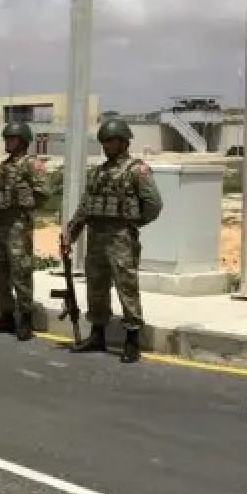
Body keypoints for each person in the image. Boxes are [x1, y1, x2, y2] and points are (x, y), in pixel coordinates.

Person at [60, 118, 163, 364]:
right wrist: (71, 234)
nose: (107, 146)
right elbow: (85, 207)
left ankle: (132, 341)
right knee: (96, 287)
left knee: (126, 288)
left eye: (112, 141)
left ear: (124, 142)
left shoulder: (137, 170)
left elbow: (154, 205)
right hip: (96, 238)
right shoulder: (98, 173)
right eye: (104, 142)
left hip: (121, 239)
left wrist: (133, 223)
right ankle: (97, 335)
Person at [0, 122, 49, 340]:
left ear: (23, 141)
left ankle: (25, 318)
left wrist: (22, 203)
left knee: (20, 272)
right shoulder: (1, 168)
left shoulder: (31, 165)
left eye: (12, 138)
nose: (7, 142)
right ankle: (6, 316)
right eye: (6, 138)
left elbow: (43, 193)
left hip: (18, 225)